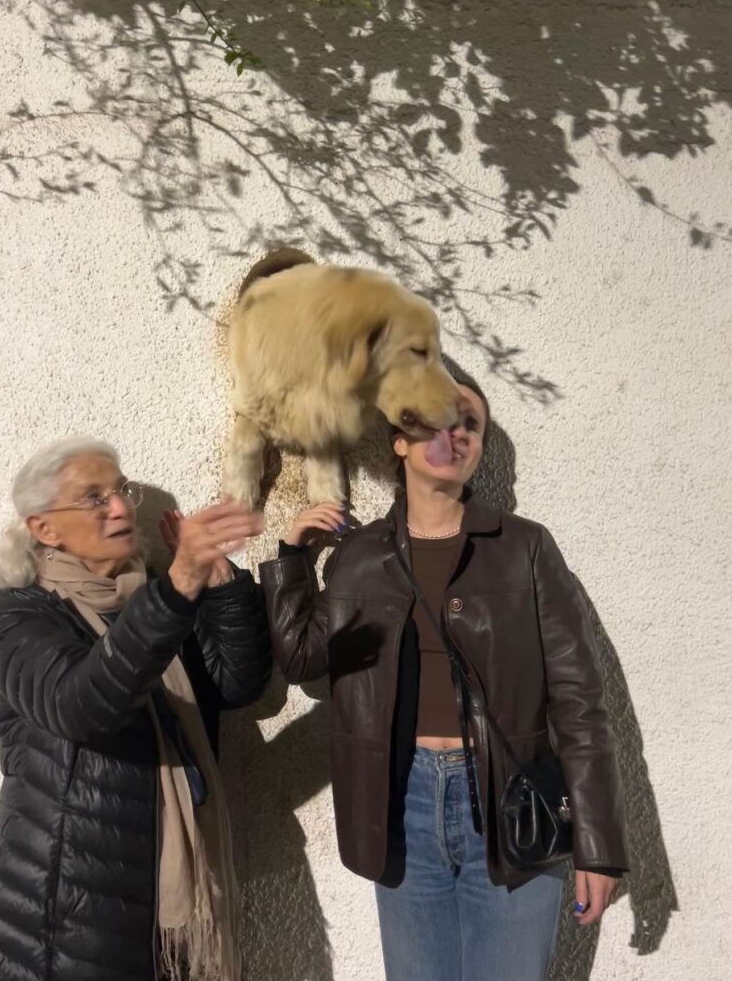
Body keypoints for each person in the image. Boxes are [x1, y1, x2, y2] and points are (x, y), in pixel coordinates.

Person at [260, 380, 628, 981]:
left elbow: (579, 701)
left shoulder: (525, 548)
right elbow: (304, 659)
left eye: (471, 425)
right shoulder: (362, 557)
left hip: (510, 803)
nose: (455, 434)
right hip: (401, 806)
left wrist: (600, 844)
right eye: (436, 420)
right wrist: (290, 558)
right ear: (400, 441)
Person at [0, 437, 270, 981]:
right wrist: (179, 587)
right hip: (63, 917)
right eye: (94, 497)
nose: (121, 506)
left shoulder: (145, 594)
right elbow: (83, 705)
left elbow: (231, 686)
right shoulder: (16, 616)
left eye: (121, 490)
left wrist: (218, 580)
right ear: (44, 529)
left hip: (156, 903)